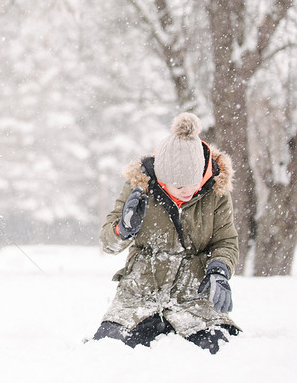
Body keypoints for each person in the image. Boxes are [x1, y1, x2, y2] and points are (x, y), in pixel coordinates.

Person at [92, 112, 240, 353]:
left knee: (216, 348)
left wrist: (219, 269)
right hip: (139, 294)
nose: (188, 191)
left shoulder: (217, 192)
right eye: (179, 186)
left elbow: (225, 241)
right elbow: (108, 243)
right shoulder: (138, 187)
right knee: (108, 349)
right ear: (162, 179)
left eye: (194, 182)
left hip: (194, 295)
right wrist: (124, 228)